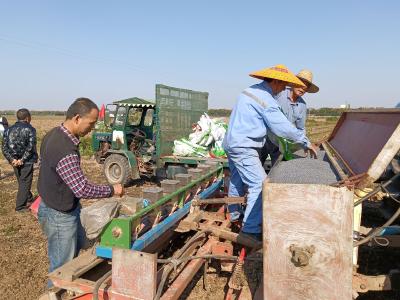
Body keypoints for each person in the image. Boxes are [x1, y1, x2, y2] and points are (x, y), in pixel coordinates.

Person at [223, 64, 317, 240]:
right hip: (244, 146)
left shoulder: (250, 91)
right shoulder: (266, 99)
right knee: (260, 184)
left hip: (233, 143)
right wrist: (305, 141)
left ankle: (235, 216)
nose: (283, 88)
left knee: (237, 180)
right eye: (283, 84)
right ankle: (250, 230)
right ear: (275, 81)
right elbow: (282, 127)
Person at [37, 98, 124, 281]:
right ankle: (55, 293)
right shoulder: (65, 148)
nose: (91, 128)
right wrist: (112, 190)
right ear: (77, 118)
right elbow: (81, 189)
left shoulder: (53, 134)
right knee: (62, 269)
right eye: (91, 123)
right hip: (60, 215)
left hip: (52, 205)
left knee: (72, 257)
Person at [260, 69, 319, 166]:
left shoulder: (302, 105)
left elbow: (300, 128)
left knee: (278, 168)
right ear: (294, 83)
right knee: (256, 166)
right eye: (300, 84)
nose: (302, 88)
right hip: (265, 137)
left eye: (306, 86)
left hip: (281, 142)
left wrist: (303, 144)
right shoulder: (279, 92)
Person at [2, 109, 37, 212]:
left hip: (14, 161)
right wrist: (22, 160)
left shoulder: (8, 130)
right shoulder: (30, 129)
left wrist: (12, 159)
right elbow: (31, 147)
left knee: (22, 181)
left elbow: (4, 147)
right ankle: (20, 206)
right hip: (27, 161)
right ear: (27, 118)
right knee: (25, 182)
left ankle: (29, 197)